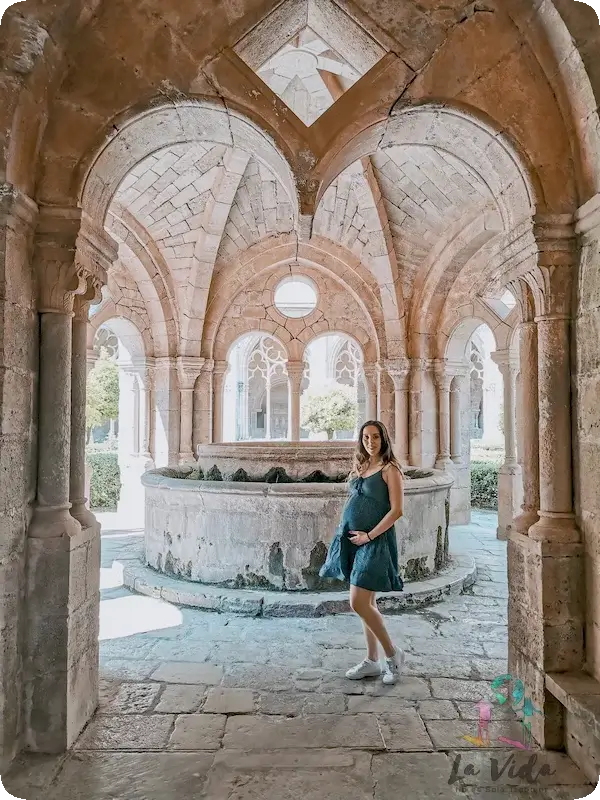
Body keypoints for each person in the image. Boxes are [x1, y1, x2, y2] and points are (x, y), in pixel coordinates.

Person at [320, 419, 405, 685]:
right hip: (354, 541)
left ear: (384, 439)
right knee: (367, 604)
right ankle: (372, 661)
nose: (371, 442)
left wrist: (369, 535)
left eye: (376, 437)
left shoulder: (390, 470)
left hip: (375, 541)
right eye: (366, 437)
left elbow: (397, 510)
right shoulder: (363, 466)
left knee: (358, 602)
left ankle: (393, 655)